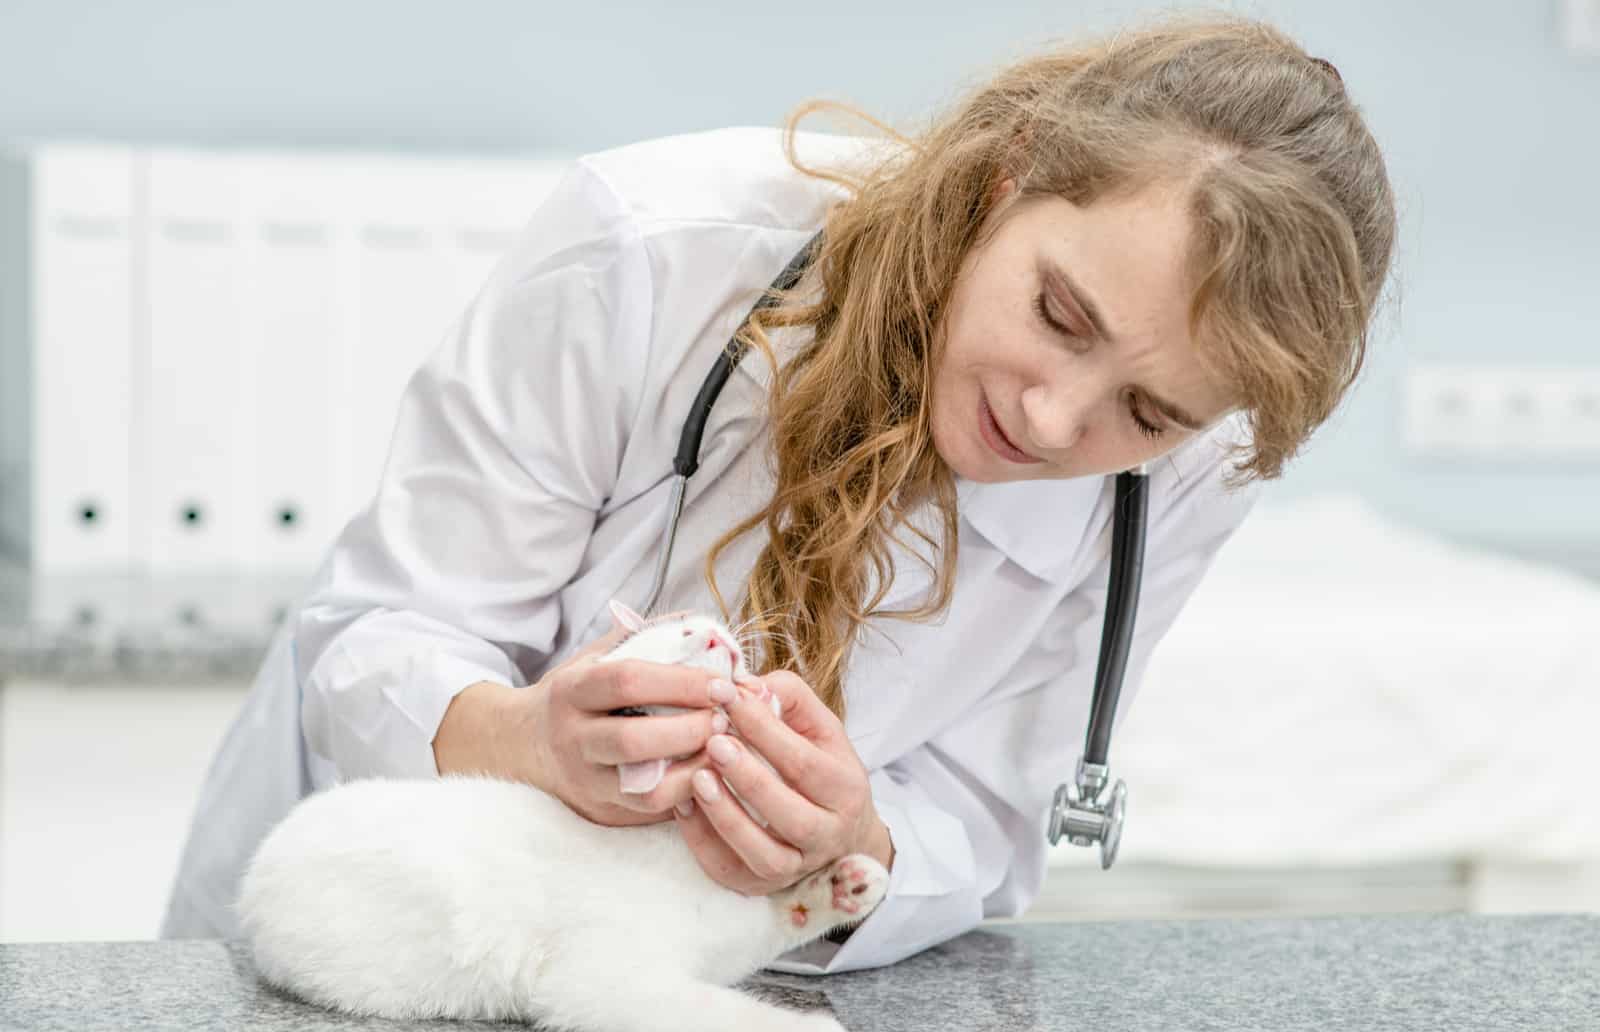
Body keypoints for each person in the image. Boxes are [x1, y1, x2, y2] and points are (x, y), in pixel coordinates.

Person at [163, 12, 1396, 974]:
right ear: (1008, 172)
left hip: (718, 974)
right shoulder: (652, 250)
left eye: (1147, 412)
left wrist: (852, 847)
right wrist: (521, 739)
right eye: (1058, 315)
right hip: (382, 924)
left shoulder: (1189, 468)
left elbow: (988, 820)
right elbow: (382, 635)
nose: (1051, 418)